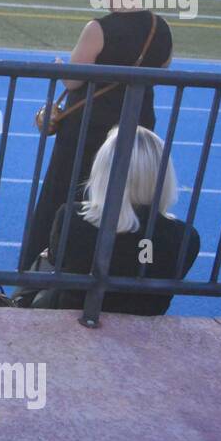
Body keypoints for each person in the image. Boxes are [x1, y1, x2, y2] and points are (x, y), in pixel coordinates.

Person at [20, 0, 173, 271]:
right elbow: (163, 67)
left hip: (87, 133)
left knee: (63, 201)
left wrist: (62, 67)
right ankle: (115, 270)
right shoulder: (160, 28)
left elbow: (73, 80)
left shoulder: (98, 29)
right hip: (136, 127)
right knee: (124, 203)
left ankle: (43, 270)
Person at [25, 127, 200, 316]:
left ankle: (15, 305)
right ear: (163, 177)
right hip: (142, 329)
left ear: (103, 171)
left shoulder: (72, 217)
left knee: (43, 262)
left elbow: (55, 261)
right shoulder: (185, 238)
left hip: (74, 319)